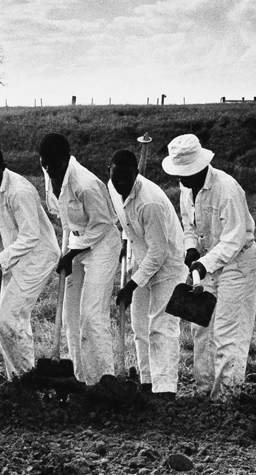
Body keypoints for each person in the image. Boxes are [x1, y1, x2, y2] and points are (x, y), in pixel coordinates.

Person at [162, 134, 256, 400]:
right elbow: (189, 226)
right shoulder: (186, 190)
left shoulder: (227, 189)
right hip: (206, 263)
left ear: (201, 165)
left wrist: (203, 263)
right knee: (202, 329)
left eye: (187, 173)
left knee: (228, 331)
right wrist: (191, 247)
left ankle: (226, 398)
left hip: (238, 263)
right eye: (179, 174)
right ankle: (204, 392)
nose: (181, 179)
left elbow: (233, 239)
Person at [38, 133, 120, 386]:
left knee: (91, 315)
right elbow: (61, 213)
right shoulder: (50, 173)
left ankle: (104, 379)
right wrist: (70, 248)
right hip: (75, 240)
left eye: (54, 164)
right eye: (45, 164)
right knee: (70, 315)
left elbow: (103, 224)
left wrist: (71, 253)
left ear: (66, 158)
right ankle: (80, 379)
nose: (50, 170)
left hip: (102, 244)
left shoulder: (86, 184)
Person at [0, 146, 60, 380]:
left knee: (6, 318)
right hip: (10, 257)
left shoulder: (19, 191)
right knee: (14, 319)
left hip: (38, 257)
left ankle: (26, 379)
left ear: (3, 168)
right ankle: (18, 380)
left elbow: (31, 236)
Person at [109, 149, 186, 398]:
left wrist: (131, 285)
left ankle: (165, 391)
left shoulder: (149, 202)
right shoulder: (113, 188)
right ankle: (147, 382)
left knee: (161, 326)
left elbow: (159, 253)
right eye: (115, 177)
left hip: (168, 265)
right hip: (142, 259)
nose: (119, 184)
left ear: (136, 174)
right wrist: (125, 240)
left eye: (125, 178)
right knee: (140, 325)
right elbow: (127, 221)